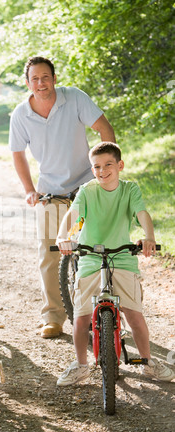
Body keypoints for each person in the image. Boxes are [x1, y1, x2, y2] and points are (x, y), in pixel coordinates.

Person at [9, 56, 116, 338]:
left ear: (54, 78)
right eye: (35, 79)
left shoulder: (74, 98)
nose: (41, 83)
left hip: (85, 185)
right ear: (28, 82)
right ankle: (53, 317)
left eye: (46, 77)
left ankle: (106, 308)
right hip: (49, 193)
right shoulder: (21, 114)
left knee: (99, 247)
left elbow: (104, 128)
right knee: (49, 253)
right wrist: (30, 190)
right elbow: (17, 154)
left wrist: (107, 171)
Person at [56, 142, 175, 384]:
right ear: (92, 170)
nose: (102, 171)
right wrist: (62, 236)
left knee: (134, 315)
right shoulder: (88, 191)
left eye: (108, 164)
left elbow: (142, 214)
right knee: (80, 318)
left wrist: (149, 237)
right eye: (96, 167)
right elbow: (74, 213)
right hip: (90, 258)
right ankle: (80, 365)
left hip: (122, 257)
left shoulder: (130, 190)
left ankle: (147, 361)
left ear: (119, 165)